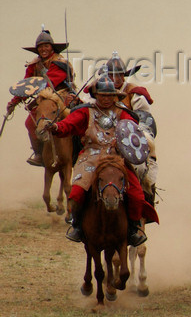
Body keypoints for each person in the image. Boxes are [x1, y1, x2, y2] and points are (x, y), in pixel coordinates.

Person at [46, 76, 157, 246]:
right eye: (102, 95)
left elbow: (130, 130)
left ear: (115, 96)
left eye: (109, 95)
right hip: (91, 157)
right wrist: (56, 127)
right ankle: (77, 226)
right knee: (76, 194)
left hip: (117, 158)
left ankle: (134, 228)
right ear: (96, 95)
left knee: (136, 193)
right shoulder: (86, 111)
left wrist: (120, 140)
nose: (105, 99)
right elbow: (69, 124)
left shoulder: (123, 112)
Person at [6, 27, 75, 166]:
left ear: (52, 48)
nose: (43, 49)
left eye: (46, 46)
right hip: (43, 99)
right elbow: (27, 85)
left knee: (76, 118)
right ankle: (39, 153)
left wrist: (38, 94)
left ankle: (80, 149)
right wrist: (14, 102)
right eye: (40, 47)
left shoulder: (60, 63)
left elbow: (50, 82)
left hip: (61, 96)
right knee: (30, 123)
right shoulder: (34, 65)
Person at [84, 51, 154, 112]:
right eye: (112, 75)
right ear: (106, 75)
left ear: (124, 75)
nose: (117, 79)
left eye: (120, 75)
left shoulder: (133, 92)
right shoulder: (96, 89)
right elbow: (87, 109)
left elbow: (143, 117)